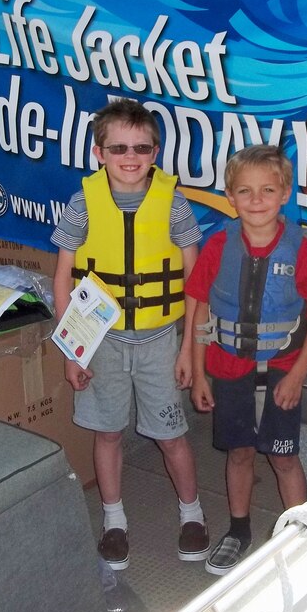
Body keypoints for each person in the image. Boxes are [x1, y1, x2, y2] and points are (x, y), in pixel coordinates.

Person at [51, 98, 209, 570]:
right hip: (102, 343)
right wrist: (72, 351)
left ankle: (193, 514)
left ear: (156, 152)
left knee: (172, 436)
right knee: (108, 433)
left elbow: (194, 280)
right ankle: (114, 521)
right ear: (99, 153)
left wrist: (189, 349)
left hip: (161, 341)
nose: (130, 156)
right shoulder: (82, 204)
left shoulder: (173, 203)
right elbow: (63, 277)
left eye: (141, 147)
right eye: (118, 147)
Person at [186, 144, 307, 576]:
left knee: (284, 458)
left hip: (283, 371)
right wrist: (198, 373)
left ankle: (304, 533)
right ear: (230, 196)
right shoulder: (218, 246)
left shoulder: (302, 250)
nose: (255, 200)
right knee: (240, 454)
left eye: (267, 190)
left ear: (284, 193)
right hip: (228, 370)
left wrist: (298, 376)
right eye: (245, 191)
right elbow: (198, 309)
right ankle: (239, 530)